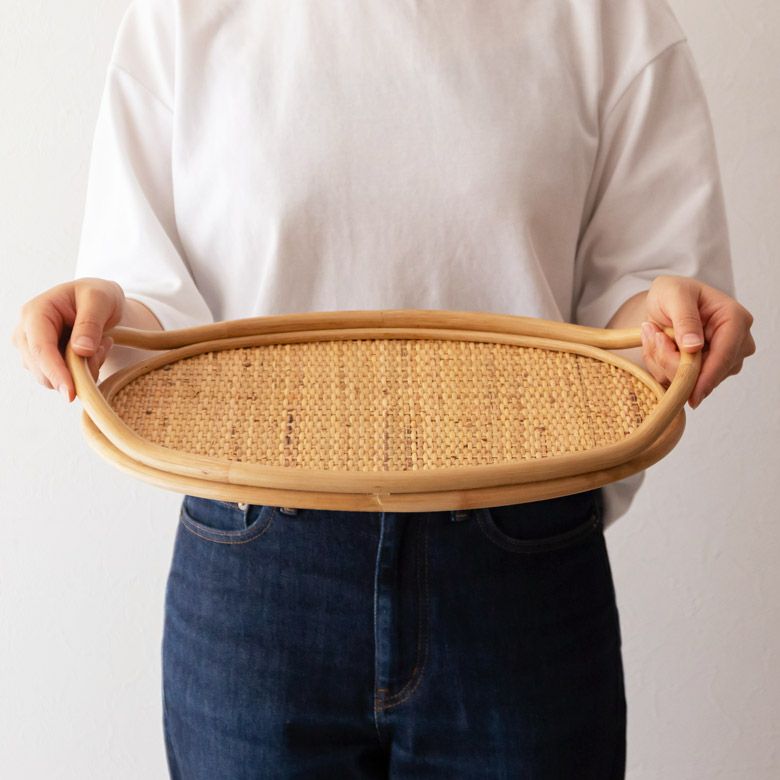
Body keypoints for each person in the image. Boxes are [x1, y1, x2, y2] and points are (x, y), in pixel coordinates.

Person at [12, 1, 755, 777]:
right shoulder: (179, 18)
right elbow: (153, 315)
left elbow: (636, 316)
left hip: (519, 566)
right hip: (256, 568)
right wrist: (102, 317)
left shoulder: (610, 17)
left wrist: (673, 325)